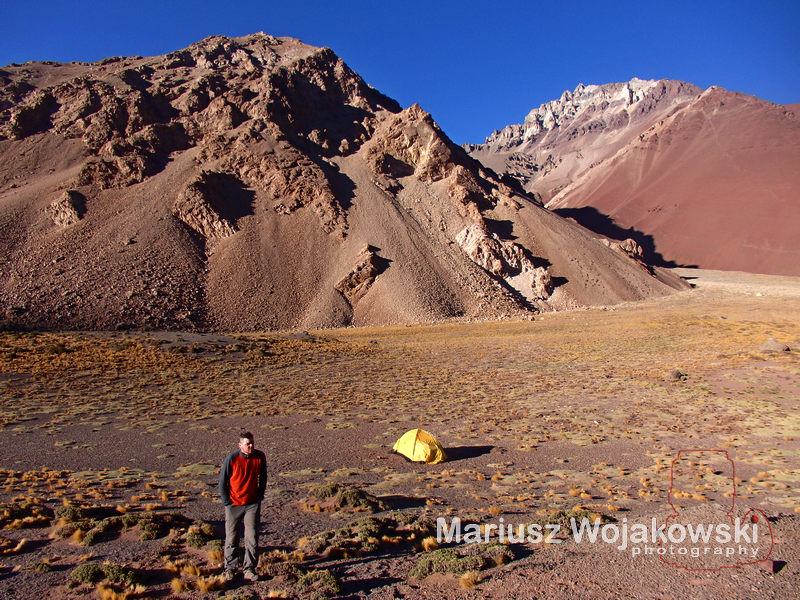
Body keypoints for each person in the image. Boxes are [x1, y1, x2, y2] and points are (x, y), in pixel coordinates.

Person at [219, 431, 267, 582]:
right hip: (234, 504)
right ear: (240, 446)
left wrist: (259, 496)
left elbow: (263, 477)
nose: (251, 446)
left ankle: (249, 568)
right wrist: (227, 501)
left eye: (252, 443)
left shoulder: (260, 457)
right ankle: (230, 569)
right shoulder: (232, 459)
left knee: (251, 536)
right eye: (248, 444)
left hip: (252, 503)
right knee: (232, 537)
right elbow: (222, 481)